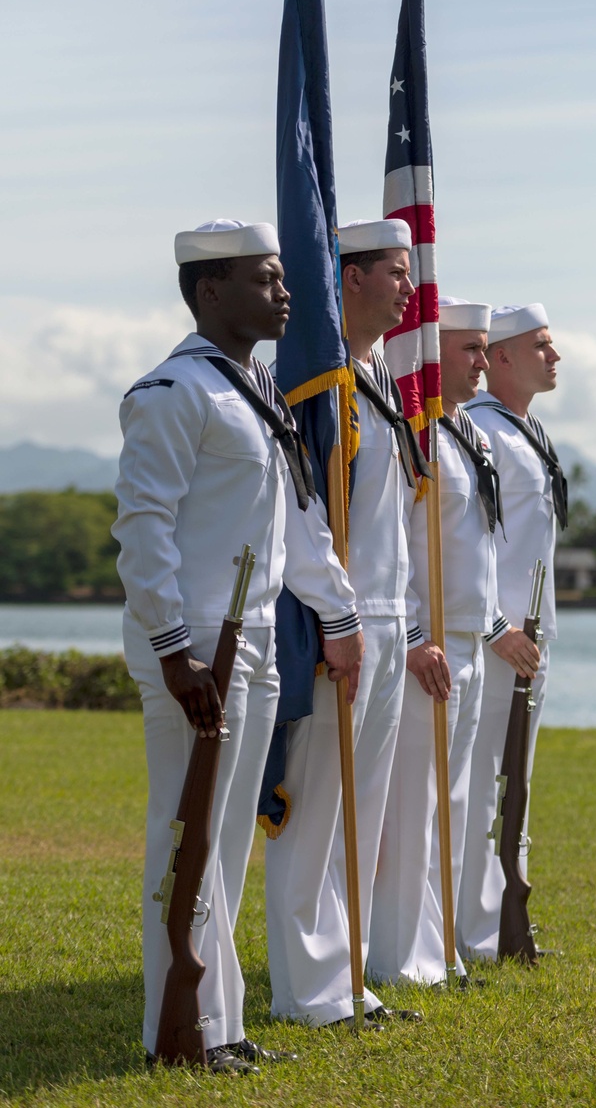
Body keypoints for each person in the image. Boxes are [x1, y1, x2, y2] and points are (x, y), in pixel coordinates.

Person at [113, 219, 362, 1074]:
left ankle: (217, 1025)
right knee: (184, 838)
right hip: (195, 647)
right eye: (265, 279)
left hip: (253, 639)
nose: (286, 292)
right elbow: (142, 529)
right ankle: (172, 1031)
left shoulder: (254, 392)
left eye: (283, 278)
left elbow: (295, 523)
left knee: (224, 841)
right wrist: (174, 649)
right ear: (210, 291)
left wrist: (339, 614)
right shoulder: (175, 392)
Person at [265, 218, 425, 1029]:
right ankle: (305, 987)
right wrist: (339, 615)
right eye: (393, 272)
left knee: (362, 807)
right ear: (349, 277)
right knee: (318, 807)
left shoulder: (378, 380)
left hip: (390, 621)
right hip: (342, 622)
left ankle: (348, 973)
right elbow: (304, 517)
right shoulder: (317, 381)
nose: (409, 286)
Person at [368, 298, 539, 984]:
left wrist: (494, 627)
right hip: (429, 647)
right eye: (467, 349)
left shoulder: (468, 434)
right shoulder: (417, 435)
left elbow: (477, 553)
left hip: (469, 640)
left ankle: (447, 942)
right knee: (415, 808)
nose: (477, 361)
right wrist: (412, 635)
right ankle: (402, 955)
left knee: (459, 805)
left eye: (478, 349)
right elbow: (394, 549)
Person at [458, 302, 565, 962]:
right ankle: (472, 931)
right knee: (480, 788)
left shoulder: (527, 431)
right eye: (541, 346)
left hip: (534, 633)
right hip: (495, 637)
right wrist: (494, 626)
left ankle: (506, 925)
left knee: (514, 785)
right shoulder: (479, 430)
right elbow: (466, 540)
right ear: (499, 356)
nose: (555, 357)